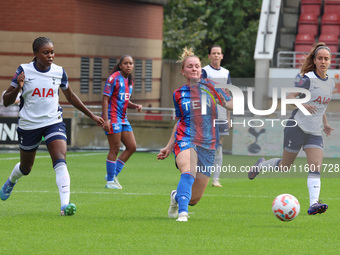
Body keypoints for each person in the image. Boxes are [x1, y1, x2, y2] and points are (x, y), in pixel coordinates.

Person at [0, 37, 104, 216]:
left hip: (53, 121)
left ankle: (65, 205)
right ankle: (11, 181)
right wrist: (19, 86)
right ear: (35, 53)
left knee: (60, 158)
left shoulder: (59, 72)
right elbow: (7, 101)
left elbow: (71, 96)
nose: (50, 56)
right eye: (46, 52)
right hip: (29, 125)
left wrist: (92, 115)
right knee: (26, 168)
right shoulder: (23, 70)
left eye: (52, 52)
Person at [248, 42, 335, 215]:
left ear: (330, 61)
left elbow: (320, 106)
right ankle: (261, 165)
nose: (323, 61)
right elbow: (289, 97)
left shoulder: (331, 83)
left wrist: (325, 123)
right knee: (284, 166)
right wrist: (303, 104)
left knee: (316, 166)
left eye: (326, 58)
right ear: (315, 60)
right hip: (297, 127)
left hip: (314, 131)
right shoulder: (308, 79)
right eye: (320, 58)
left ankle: (313, 204)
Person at [157, 47, 233, 222]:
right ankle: (182, 215)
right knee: (189, 170)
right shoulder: (178, 94)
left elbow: (230, 104)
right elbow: (179, 122)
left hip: (208, 143)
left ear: (201, 70)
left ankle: (176, 197)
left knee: (194, 199)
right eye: (190, 66)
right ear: (183, 71)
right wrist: (169, 147)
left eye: (197, 66)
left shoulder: (212, 88)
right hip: (186, 139)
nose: (194, 69)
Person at [102, 55, 142, 189]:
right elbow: (105, 99)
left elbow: (124, 100)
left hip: (123, 118)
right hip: (112, 117)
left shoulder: (129, 81)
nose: (129, 66)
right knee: (115, 148)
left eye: (131, 63)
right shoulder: (113, 78)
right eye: (126, 63)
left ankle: (112, 175)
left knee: (132, 147)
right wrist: (106, 120)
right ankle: (110, 182)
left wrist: (135, 105)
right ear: (120, 65)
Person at [201, 45, 232, 187]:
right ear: (209, 56)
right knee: (205, 145)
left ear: (222, 56)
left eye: (218, 53)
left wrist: (229, 117)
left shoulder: (226, 73)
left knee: (219, 146)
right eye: (213, 53)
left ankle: (216, 179)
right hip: (207, 113)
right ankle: (201, 175)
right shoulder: (205, 72)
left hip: (221, 113)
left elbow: (228, 95)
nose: (216, 55)